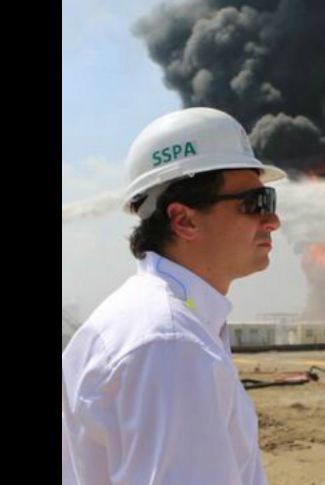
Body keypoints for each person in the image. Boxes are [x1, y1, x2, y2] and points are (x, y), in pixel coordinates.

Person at [62, 107, 287, 484]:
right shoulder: (169, 343)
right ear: (184, 220)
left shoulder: (158, 322)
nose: (272, 220)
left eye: (270, 201)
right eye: (255, 203)